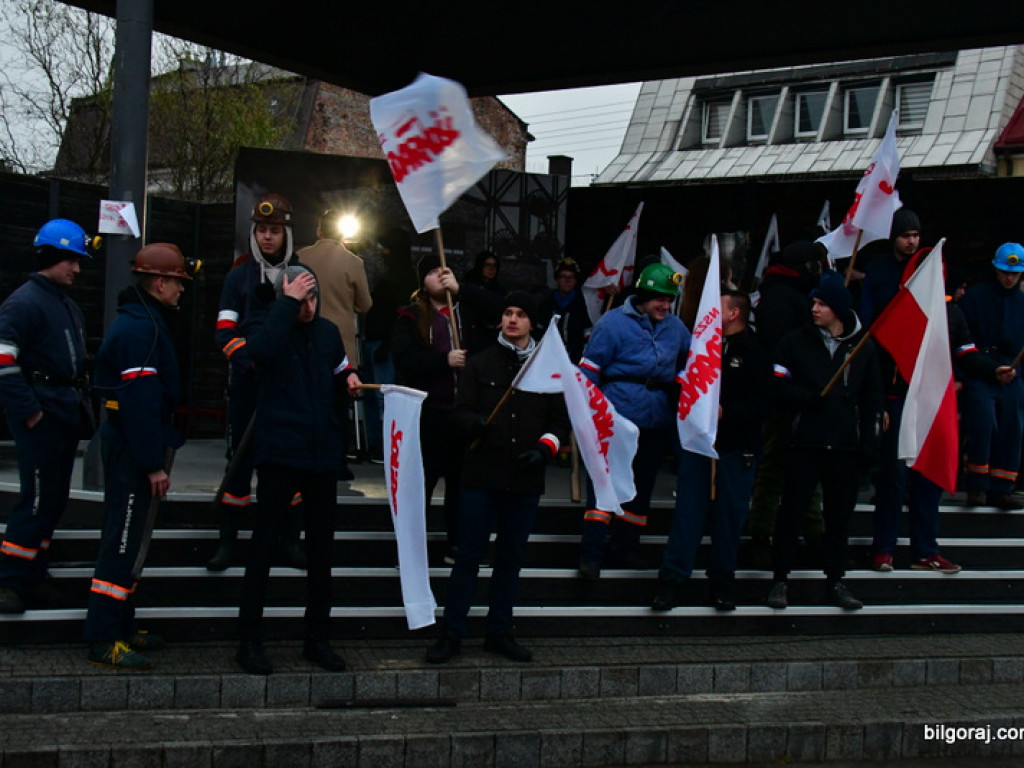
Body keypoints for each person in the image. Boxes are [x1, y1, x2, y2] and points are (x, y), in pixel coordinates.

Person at [426, 292, 569, 663]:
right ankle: (452, 633)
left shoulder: (549, 368)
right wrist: (473, 423)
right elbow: (460, 412)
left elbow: (559, 421)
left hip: (524, 480)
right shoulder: (480, 363)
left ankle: (499, 631)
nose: (512, 319)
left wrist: (544, 449)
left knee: (510, 559)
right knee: (468, 557)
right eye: (507, 312)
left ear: (531, 323)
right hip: (480, 477)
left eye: (521, 314)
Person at [235, 265, 362, 675]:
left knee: (322, 551)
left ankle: (317, 638)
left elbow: (340, 367)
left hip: (321, 453)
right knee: (264, 546)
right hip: (280, 452)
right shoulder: (268, 324)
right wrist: (286, 305)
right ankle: (250, 640)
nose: (308, 306)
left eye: (312, 297)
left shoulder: (326, 331)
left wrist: (351, 377)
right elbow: (258, 352)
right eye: (299, 298)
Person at [84, 243, 195, 669]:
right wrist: (151, 463)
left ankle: (122, 625)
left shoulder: (143, 323)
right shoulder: (139, 331)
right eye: (179, 283)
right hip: (132, 453)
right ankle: (103, 637)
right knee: (123, 539)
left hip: (133, 447)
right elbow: (140, 401)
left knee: (129, 543)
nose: (182, 291)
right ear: (160, 282)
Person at [871, 248, 1014, 573]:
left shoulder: (952, 315)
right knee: (893, 479)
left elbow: (966, 353)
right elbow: (875, 366)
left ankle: (925, 550)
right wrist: (880, 406)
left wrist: (993, 371)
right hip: (899, 402)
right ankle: (884, 549)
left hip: (934, 404)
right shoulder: (894, 309)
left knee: (930, 476)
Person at [765, 272, 883, 611]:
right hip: (805, 442)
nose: (814, 308)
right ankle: (779, 580)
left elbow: (873, 398)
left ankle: (835, 579)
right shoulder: (795, 341)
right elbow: (777, 382)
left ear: (839, 309)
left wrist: (870, 443)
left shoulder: (861, 347)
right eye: (814, 302)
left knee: (839, 518)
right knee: (791, 512)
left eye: (822, 303)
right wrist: (805, 398)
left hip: (844, 446)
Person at [653, 289, 771, 611]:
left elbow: (763, 404)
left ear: (734, 313)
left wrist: (727, 411)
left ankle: (722, 584)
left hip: (734, 451)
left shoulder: (755, 353)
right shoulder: (703, 347)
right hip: (699, 448)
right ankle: (671, 582)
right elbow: (684, 384)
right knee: (687, 518)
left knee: (728, 521)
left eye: (717, 307)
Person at [0, 219, 96, 614]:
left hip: (62, 413)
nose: (77, 268)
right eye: (71, 260)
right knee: (37, 501)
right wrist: (30, 412)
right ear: (51, 257)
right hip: (44, 416)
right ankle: (9, 580)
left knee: (53, 500)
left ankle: (34, 575)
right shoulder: (24, 303)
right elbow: (3, 362)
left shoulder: (62, 302)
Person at [209, 192, 305, 572]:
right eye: (262, 230)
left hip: (286, 389)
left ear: (286, 234)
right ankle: (228, 542)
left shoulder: (300, 276)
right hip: (247, 386)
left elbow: (310, 329)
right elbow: (224, 331)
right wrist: (247, 360)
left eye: (275, 230)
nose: (267, 237)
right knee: (239, 463)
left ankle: (288, 541)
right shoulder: (238, 277)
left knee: (288, 465)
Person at [577, 263, 691, 579]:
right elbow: (588, 374)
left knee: (641, 490)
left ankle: (626, 549)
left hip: (655, 422)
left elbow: (688, 367)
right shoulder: (612, 324)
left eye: (670, 300)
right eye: (660, 299)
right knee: (604, 487)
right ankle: (592, 555)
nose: (666, 306)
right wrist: (588, 419)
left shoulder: (677, 328)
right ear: (643, 295)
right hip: (615, 421)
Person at [392, 254, 501, 564]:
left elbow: (499, 309)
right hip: (427, 415)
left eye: (446, 270)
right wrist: (444, 361)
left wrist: (463, 289)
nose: (441, 275)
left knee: (461, 485)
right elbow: (405, 360)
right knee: (421, 483)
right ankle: (413, 547)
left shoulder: (467, 310)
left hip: (462, 413)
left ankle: (458, 544)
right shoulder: (411, 315)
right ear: (423, 282)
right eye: (433, 271)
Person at [746, 240, 825, 569]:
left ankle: (764, 528)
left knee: (780, 464)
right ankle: (810, 533)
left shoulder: (781, 292)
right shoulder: (783, 297)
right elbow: (782, 348)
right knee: (787, 463)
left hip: (788, 392)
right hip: (786, 395)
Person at [297, 209, 372, 466]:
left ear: (318, 231)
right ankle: (338, 460)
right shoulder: (354, 262)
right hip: (340, 345)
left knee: (305, 401)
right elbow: (365, 304)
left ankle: (307, 456)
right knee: (339, 406)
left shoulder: (300, 257)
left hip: (304, 340)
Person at [958, 242, 1024, 509]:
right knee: (983, 423)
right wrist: (989, 369)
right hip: (980, 370)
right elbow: (963, 342)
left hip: (1013, 372)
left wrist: (1015, 372)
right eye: (1004, 271)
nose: (1009, 277)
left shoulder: (1022, 302)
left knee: (1013, 426)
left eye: (1015, 273)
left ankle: (1002, 488)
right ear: (995, 269)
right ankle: (977, 485)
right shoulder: (975, 298)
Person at [361, 226, 417, 463]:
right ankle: (377, 443)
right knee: (373, 395)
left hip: (384, 342)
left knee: (382, 397)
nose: (381, 251)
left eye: (385, 247)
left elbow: (399, 313)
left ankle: (383, 445)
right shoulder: (396, 273)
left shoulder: (401, 276)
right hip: (377, 339)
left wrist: (386, 343)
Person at [859, 207, 921, 325]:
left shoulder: (923, 268)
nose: (911, 241)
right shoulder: (876, 270)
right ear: (894, 237)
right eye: (905, 236)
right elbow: (866, 311)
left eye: (915, 235)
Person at [538, 257, 592, 363]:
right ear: (557, 279)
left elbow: (587, 336)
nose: (567, 280)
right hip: (548, 359)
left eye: (571, 277)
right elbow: (538, 334)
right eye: (563, 276)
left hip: (574, 362)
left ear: (576, 281)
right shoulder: (546, 304)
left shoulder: (582, 304)